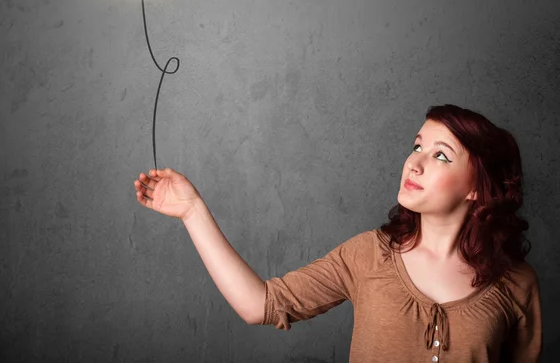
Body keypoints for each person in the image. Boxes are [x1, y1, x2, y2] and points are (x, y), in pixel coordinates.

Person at [133, 103, 542, 362]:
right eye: (417, 146)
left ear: (476, 186)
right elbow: (260, 304)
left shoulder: (516, 284)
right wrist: (192, 211)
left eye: (440, 155)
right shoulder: (367, 255)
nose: (414, 164)